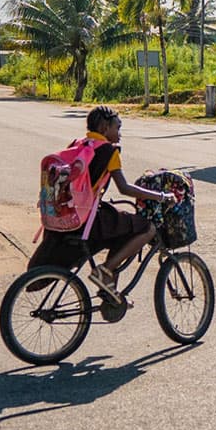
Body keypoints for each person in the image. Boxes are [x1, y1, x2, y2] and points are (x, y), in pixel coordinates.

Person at [27, 106, 171, 306]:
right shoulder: (108, 151)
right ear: (105, 128)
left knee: (121, 225)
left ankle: (109, 287)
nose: (119, 134)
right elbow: (124, 188)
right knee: (147, 228)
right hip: (87, 219)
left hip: (69, 214)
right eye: (117, 128)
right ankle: (106, 271)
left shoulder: (79, 144)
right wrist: (161, 196)